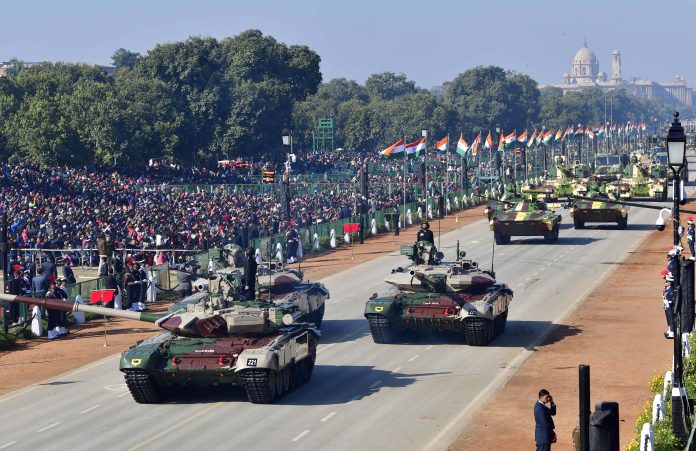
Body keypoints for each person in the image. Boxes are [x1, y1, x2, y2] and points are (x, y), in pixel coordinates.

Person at [663, 271, 675, 338]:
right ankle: (670, 330)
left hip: (670, 307)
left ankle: (672, 332)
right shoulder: (668, 288)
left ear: (670, 282)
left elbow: (671, 300)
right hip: (667, 307)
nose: (665, 282)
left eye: (667, 281)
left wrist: (668, 303)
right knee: (669, 319)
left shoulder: (670, 289)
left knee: (671, 319)